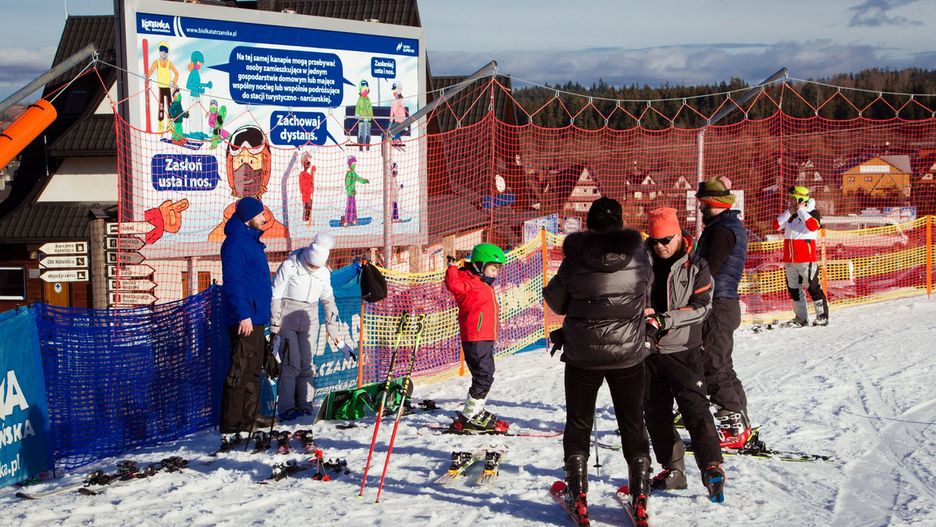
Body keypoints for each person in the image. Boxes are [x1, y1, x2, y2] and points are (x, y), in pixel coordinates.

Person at [543, 197, 653, 520]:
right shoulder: (639, 255)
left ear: (589, 223)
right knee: (633, 423)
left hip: (582, 356)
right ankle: (641, 494)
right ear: (620, 222)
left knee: (578, 423)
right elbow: (646, 289)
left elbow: (555, 299)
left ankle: (577, 493)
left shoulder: (576, 258)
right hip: (629, 354)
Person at [642, 207, 726, 501]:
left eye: (666, 239)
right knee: (655, 414)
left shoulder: (696, 265)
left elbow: (703, 305)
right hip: (649, 351)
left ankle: (711, 465)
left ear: (679, 234)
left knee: (695, 409)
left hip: (684, 350)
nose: (661, 246)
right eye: (655, 241)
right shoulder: (641, 264)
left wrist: (666, 319)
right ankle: (673, 469)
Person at [694, 178, 752, 449]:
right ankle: (740, 421)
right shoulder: (729, 226)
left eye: (702, 204)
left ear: (711, 203)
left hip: (718, 304)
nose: (700, 209)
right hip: (725, 303)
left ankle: (732, 427)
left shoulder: (721, 231)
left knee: (714, 367)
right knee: (723, 366)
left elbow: (708, 270)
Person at [270, 233, 354, 420]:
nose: (314, 269)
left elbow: (328, 301)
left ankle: (305, 404)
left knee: (307, 364)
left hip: (310, 318)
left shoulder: (324, 273)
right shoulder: (290, 265)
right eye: (312, 265)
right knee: (292, 364)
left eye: (317, 266)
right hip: (288, 317)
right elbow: (275, 294)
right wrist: (275, 325)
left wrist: (335, 334)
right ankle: (286, 408)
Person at [219, 197, 273, 446]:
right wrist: (243, 314)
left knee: (253, 370)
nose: (265, 218)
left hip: (257, 316)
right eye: (261, 214)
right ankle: (231, 425)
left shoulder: (252, 241)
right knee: (239, 371)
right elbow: (234, 282)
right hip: (245, 318)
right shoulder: (236, 244)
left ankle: (250, 418)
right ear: (249, 217)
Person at [444, 243, 509, 433]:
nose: (495, 273)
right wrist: (452, 267)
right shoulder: (466, 280)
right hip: (475, 336)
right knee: (484, 376)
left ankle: (475, 411)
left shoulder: (482, 283)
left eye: (497, 269)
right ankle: (471, 415)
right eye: (492, 268)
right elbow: (453, 285)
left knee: (486, 374)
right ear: (479, 265)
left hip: (485, 336)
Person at [773, 186, 829, 327]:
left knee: (813, 287)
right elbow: (775, 225)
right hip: (790, 258)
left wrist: (801, 210)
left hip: (805, 258)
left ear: (800, 199)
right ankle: (801, 318)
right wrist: (789, 212)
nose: (789, 201)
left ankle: (822, 315)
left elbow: (812, 226)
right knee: (794, 289)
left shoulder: (812, 212)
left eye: (792, 198)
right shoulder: (791, 214)